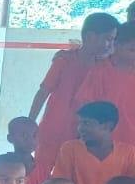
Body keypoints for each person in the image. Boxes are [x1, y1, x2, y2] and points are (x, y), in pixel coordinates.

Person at [31, 12, 118, 167]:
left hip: (83, 134)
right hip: (52, 130)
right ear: (90, 37)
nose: (111, 45)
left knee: (72, 172)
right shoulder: (64, 60)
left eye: (113, 41)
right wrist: (30, 121)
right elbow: (43, 92)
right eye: (108, 39)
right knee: (41, 172)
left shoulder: (104, 68)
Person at [51, 100, 135, 184]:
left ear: (107, 126)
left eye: (86, 123)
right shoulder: (70, 148)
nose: (80, 128)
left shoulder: (129, 153)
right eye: (80, 123)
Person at [70, 23, 135, 146]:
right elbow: (84, 105)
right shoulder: (99, 72)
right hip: (105, 146)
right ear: (116, 45)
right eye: (132, 50)